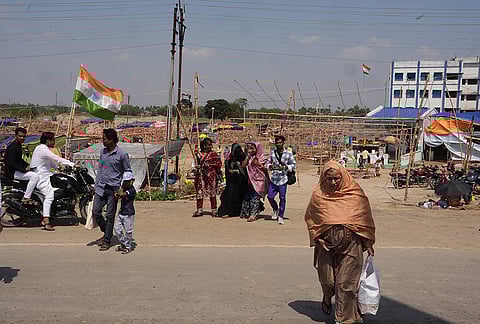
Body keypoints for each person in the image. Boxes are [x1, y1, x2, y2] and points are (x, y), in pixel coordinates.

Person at [304, 160, 375, 324]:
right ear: (324, 178)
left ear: (342, 176)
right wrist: (317, 238)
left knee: (345, 284)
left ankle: (345, 319)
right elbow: (311, 219)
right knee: (328, 282)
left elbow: (364, 218)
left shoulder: (355, 194)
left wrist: (368, 243)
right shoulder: (318, 195)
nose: (333, 182)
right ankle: (327, 296)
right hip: (326, 247)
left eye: (336, 178)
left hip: (352, 245)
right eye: (329, 179)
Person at [92, 129, 132, 251]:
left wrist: (122, 188)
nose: (102, 141)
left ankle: (107, 240)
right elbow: (100, 169)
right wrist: (96, 185)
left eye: (104, 139)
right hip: (101, 187)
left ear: (111, 139)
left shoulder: (122, 154)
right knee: (96, 212)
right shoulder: (103, 152)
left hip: (113, 189)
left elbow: (128, 171)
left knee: (110, 215)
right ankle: (107, 233)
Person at [30, 132, 76, 231]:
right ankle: (45, 220)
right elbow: (57, 158)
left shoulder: (40, 148)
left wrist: (59, 168)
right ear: (48, 141)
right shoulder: (43, 150)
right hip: (41, 178)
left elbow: (49, 162)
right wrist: (73, 164)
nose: (54, 141)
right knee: (49, 195)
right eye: (53, 140)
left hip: (45, 175)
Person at [4, 127, 39, 205]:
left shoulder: (18, 145)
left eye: (24, 136)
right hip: (12, 172)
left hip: (16, 170)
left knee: (36, 172)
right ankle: (26, 197)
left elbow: (19, 160)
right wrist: (24, 169)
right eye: (20, 136)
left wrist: (28, 165)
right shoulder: (13, 148)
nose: (22, 138)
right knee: (35, 176)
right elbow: (11, 163)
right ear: (16, 136)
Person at [267, 135, 296, 225]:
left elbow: (293, 165)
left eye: (280, 142)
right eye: (277, 142)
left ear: (283, 143)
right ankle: (275, 209)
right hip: (274, 179)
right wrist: (270, 166)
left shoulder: (288, 153)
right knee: (270, 197)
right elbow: (268, 162)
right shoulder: (272, 153)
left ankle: (280, 216)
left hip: (283, 179)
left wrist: (285, 167)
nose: (279, 144)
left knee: (282, 198)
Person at [192, 138, 222, 217]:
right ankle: (199, 210)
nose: (209, 146)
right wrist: (197, 166)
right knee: (199, 193)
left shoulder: (213, 154)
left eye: (210, 145)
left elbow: (219, 164)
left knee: (212, 193)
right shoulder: (198, 154)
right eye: (207, 145)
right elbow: (196, 164)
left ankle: (214, 210)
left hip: (211, 176)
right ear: (203, 145)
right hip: (201, 176)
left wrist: (210, 165)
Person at [218, 143, 248, 218]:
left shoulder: (243, 158)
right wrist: (231, 172)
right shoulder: (230, 159)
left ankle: (240, 211)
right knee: (229, 196)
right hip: (232, 182)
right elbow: (227, 169)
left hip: (241, 182)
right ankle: (230, 212)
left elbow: (246, 170)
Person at [241, 142, 268, 222]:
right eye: (250, 148)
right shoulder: (250, 157)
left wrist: (258, 163)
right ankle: (248, 212)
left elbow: (266, 169)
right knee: (249, 196)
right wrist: (247, 157)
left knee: (255, 197)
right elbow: (243, 165)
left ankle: (254, 215)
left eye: (253, 148)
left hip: (259, 180)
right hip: (251, 180)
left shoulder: (262, 157)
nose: (251, 150)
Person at [114, 171, 136, 254]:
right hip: (121, 212)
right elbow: (118, 196)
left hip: (129, 214)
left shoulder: (132, 190)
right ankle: (123, 243)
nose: (125, 183)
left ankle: (128, 246)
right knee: (117, 229)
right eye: (125, 181)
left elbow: (123, 194)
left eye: (127, 181)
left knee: (128, 231)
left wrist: (119, 192)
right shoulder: (123, 188)